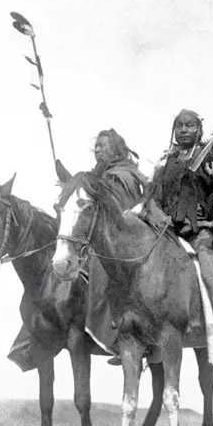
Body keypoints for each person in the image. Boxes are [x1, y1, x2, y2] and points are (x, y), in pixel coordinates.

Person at [145, 109, 213, 352]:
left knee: (209, 272)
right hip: (169, 228)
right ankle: (141, 334)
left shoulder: (210, 157)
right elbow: (152, 197)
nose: (184, 130)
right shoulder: (165, 162)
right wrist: (158, 215)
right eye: (179, 125)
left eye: (189, 125)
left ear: (199, 129)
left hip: (201, 229)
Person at [85, 129, 147, 364]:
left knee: (101, 268)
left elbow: (118, 211)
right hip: (98, 236)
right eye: (96, 146)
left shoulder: (122, 175)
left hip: (124, 239)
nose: (98, 150)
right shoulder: (100, 175)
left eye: (103, 146)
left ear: (117, 149)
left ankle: (119, 333)